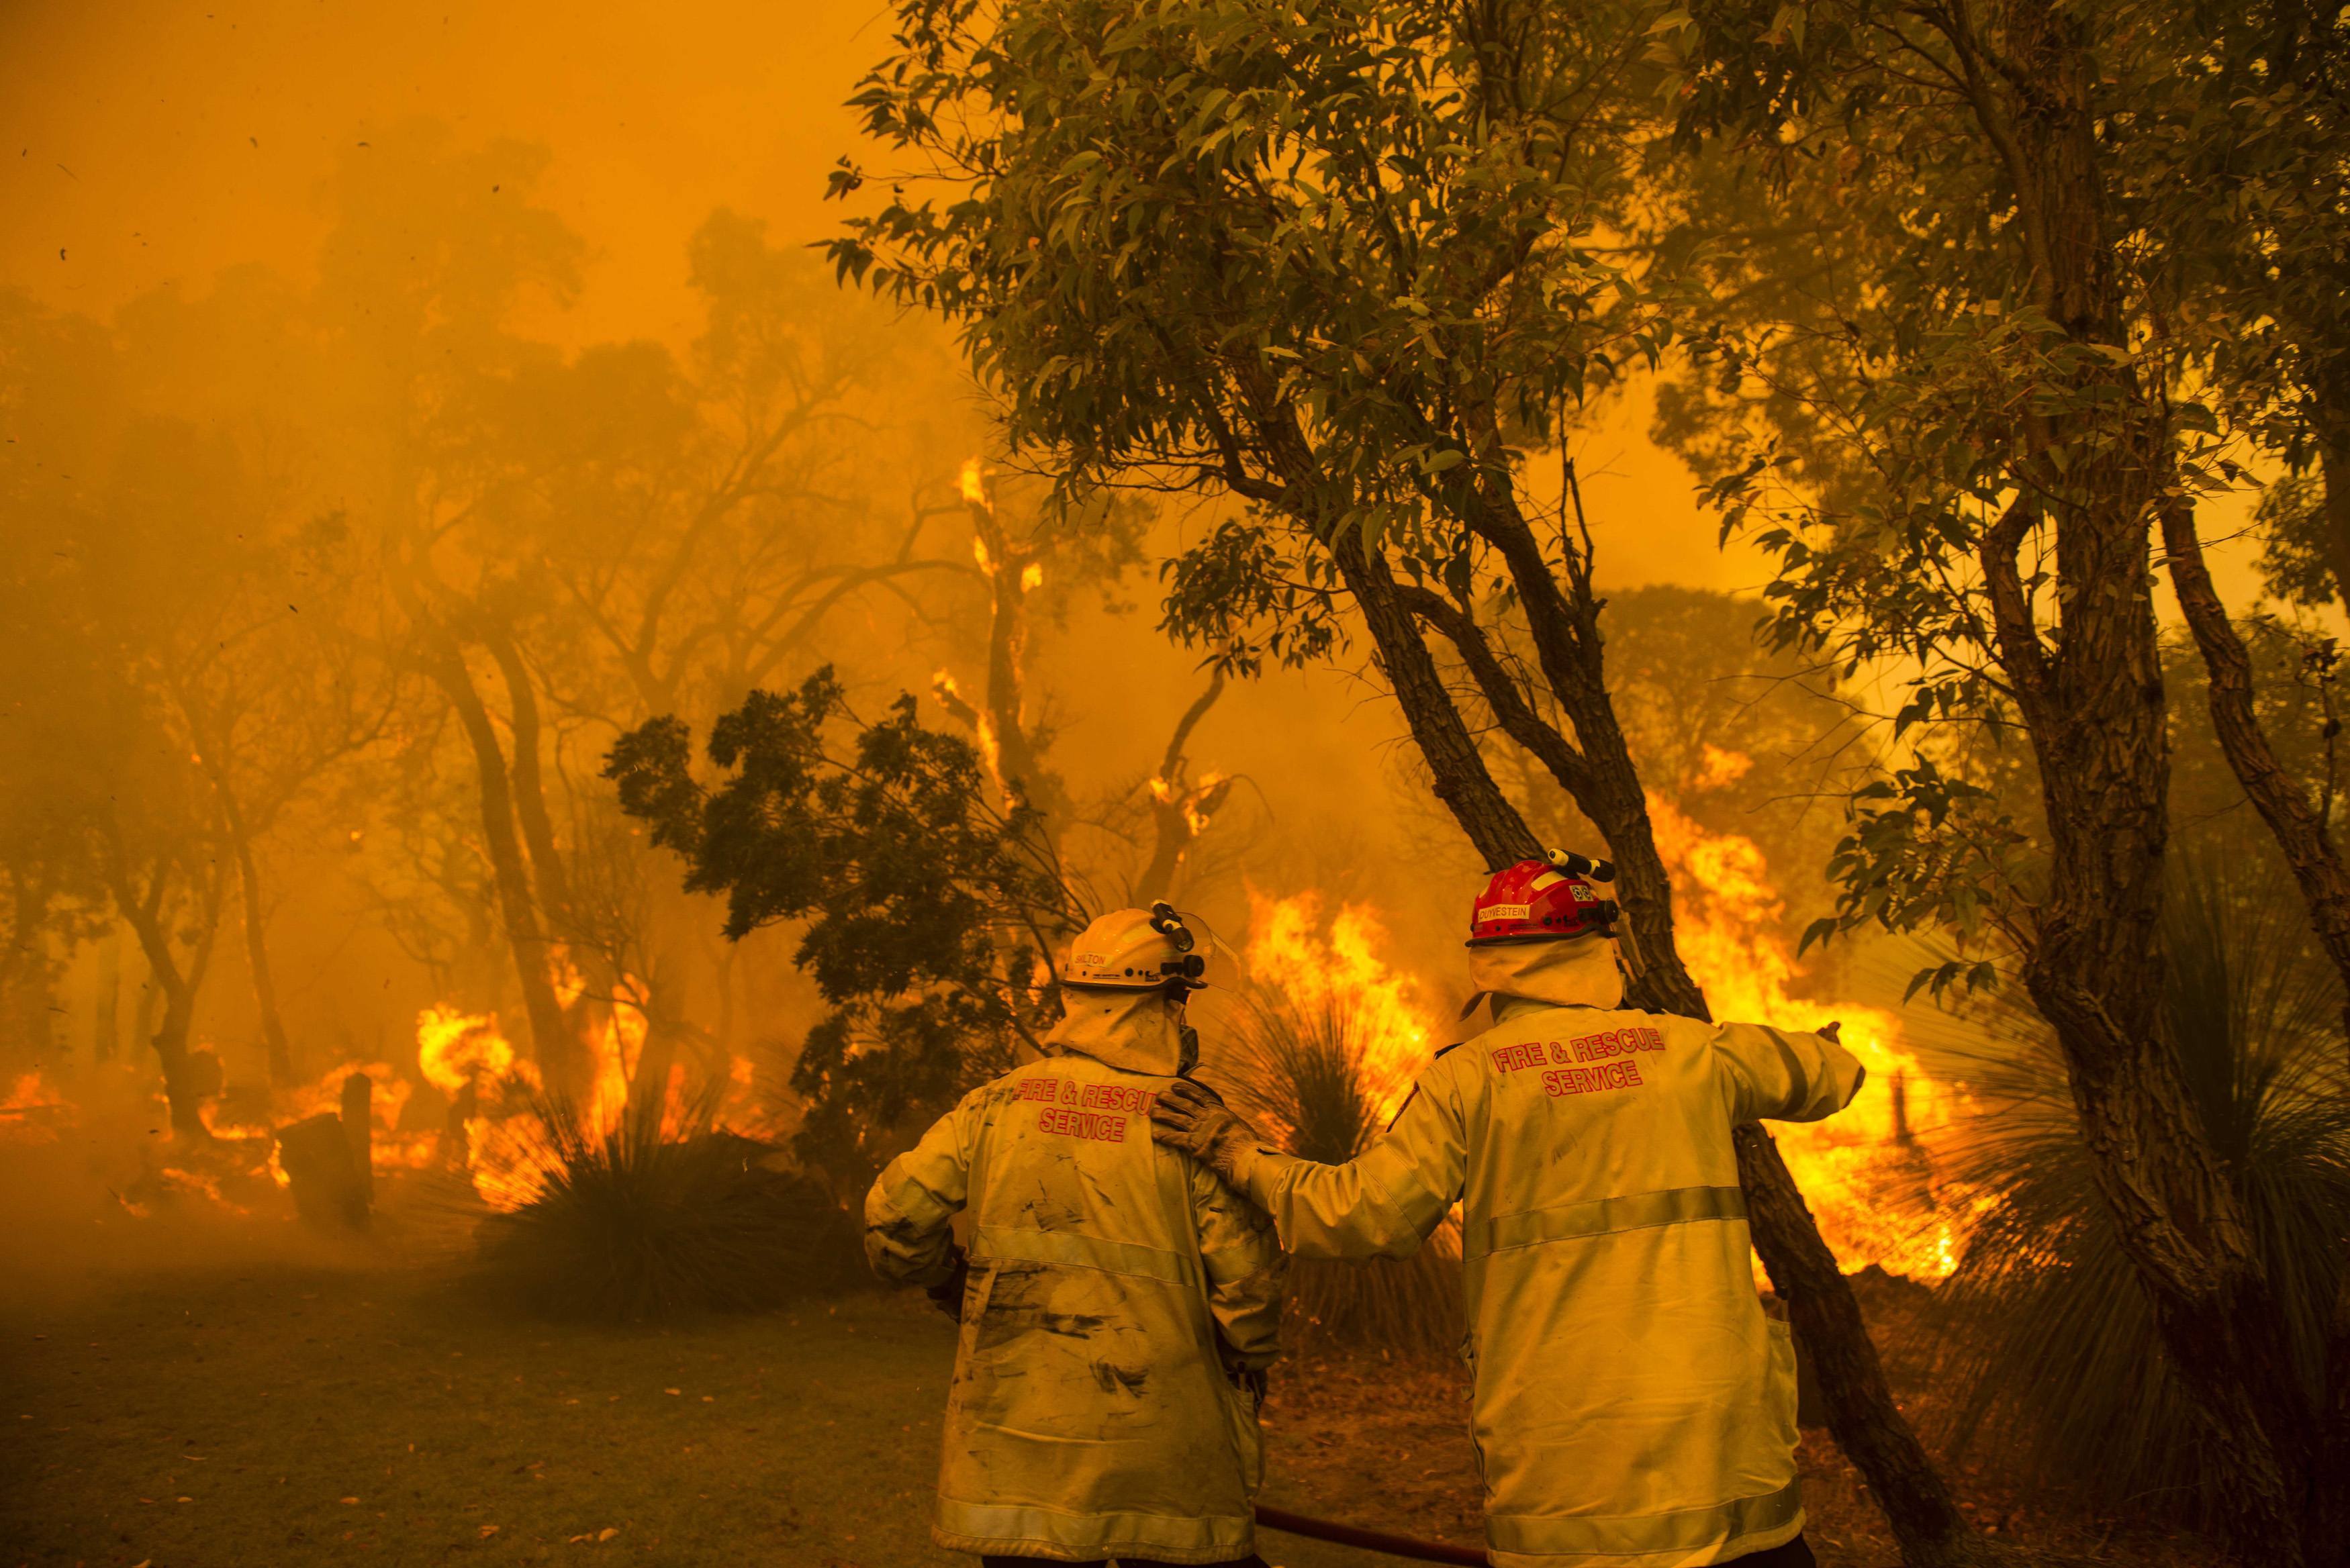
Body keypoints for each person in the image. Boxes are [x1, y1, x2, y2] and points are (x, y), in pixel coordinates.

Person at [1152, 854, 1865, 1568]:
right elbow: (1833, 1076)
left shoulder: (1469, 1078)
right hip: (1721, 1453)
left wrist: (1235, 1151)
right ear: (1599, 952)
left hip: (1562, 1454)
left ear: (1487, 964)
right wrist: (1821, 1047)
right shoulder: (1689, 1049)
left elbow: (1358, 1213)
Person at [865, 903, 1286, 1568]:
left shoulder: (995, 1104)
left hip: (1013, 1451)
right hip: (1161, 1445)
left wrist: (948, 1281)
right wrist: (1246, 1356)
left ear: (1078, 997)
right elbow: (1248, 1287)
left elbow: (893, 1220)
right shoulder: (1184, 1119)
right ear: (1165, 999)